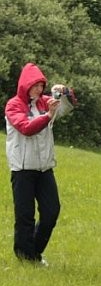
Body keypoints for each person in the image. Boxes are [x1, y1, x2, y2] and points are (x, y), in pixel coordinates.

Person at [4, 62, 76, 266]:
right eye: (35, 85)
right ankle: (26, 256)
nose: (39, 89)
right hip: (22, 169)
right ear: (25, 85)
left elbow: (67, 107)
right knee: (25, 216)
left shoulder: (45, 102)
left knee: (51, 212)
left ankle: (33, 252)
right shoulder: (13, 105)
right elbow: (26, 128)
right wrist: (48, 116)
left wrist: (64, 92)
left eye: (41, 86)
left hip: (45, 168)